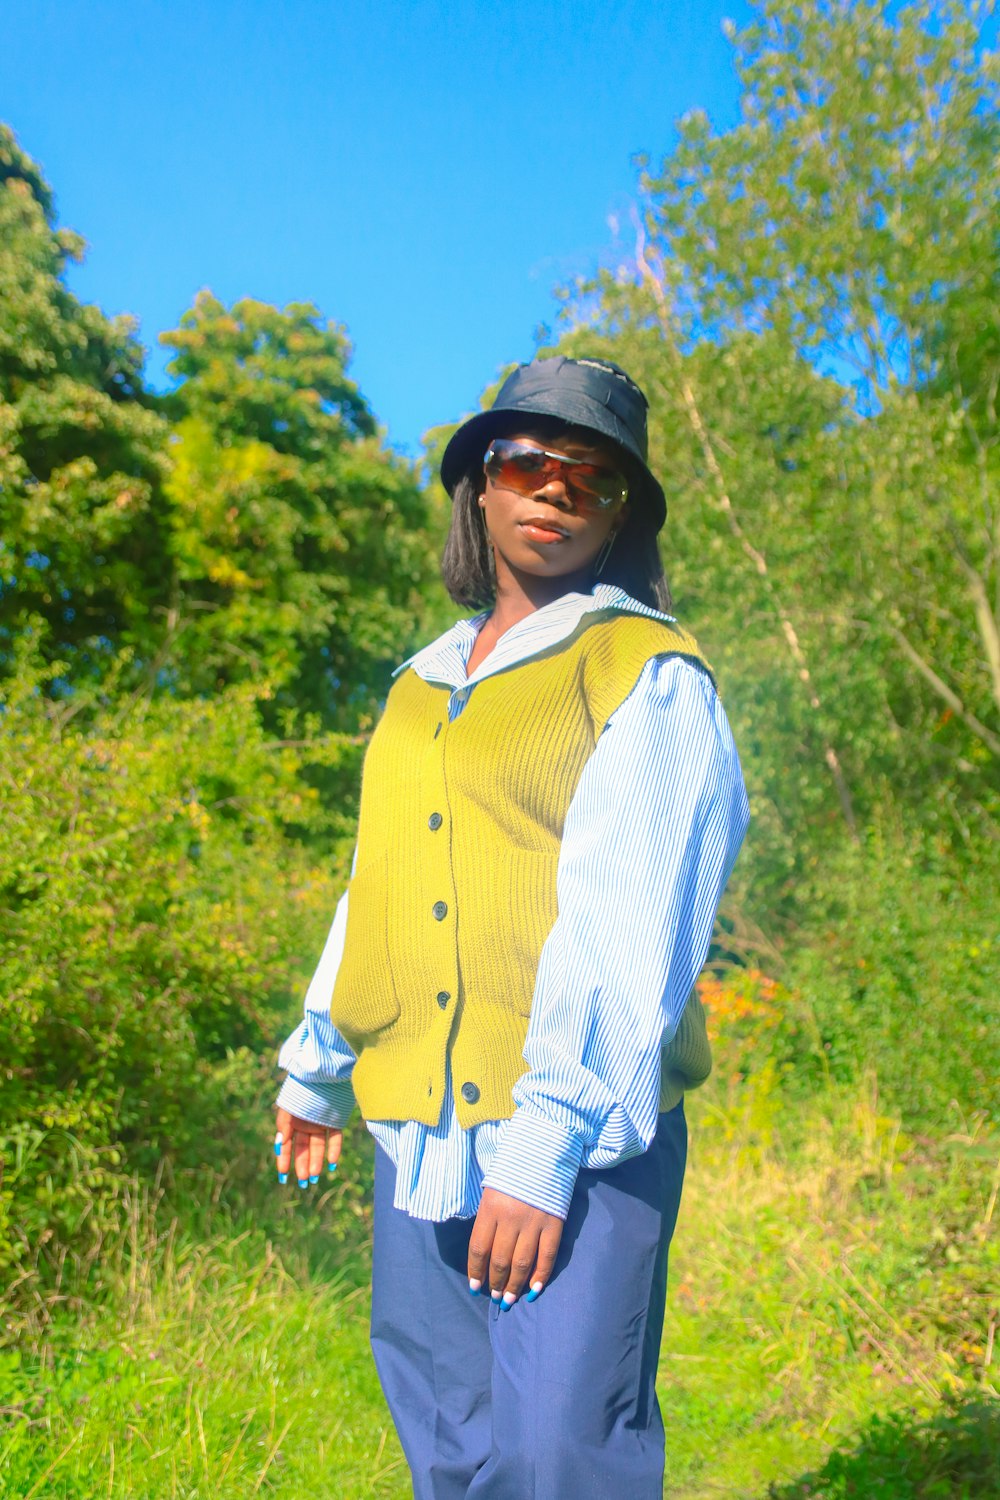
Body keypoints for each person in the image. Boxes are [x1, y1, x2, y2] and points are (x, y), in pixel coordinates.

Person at [273, 355, 749, 1500]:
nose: (554, 489)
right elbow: (373, 887)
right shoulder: (415, 684)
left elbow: (631, 923)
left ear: (620, 512)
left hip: (570, 1137)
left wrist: (543, 1153)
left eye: (591, 477)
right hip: (418, 1126)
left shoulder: (646, 671)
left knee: (559, 1453)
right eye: (527, 462)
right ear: (478, 487)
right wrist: (316, 1068)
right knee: (451, 1439)